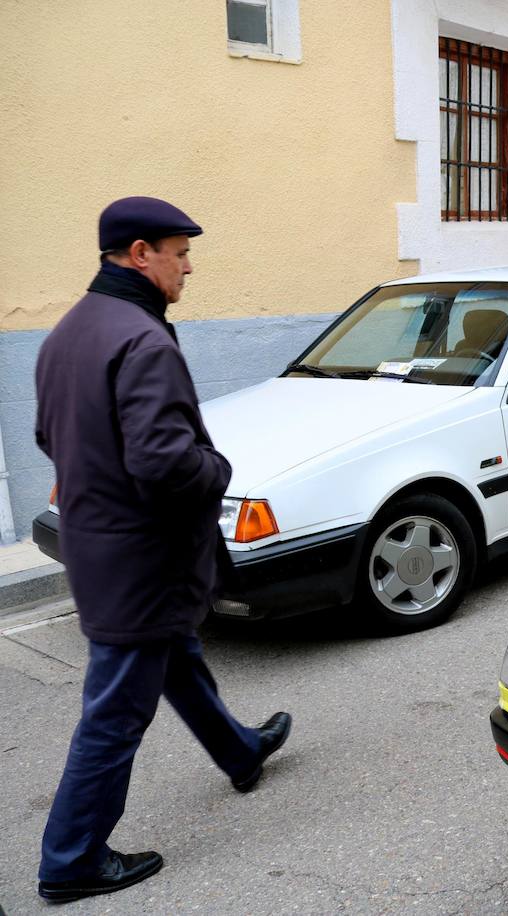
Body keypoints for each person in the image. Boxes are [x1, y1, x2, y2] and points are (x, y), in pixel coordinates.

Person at [34, 197, 292, 903]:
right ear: (139, 253)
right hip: (141, 559)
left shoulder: (69, 331)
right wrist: (220, 471)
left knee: (176, 654)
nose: (188, 268)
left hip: (100, 544)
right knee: (115, 710)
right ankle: (72, 858)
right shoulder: (142, 339)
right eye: (180, 254)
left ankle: (239, 751)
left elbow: (49, 436)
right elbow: (164, 461)